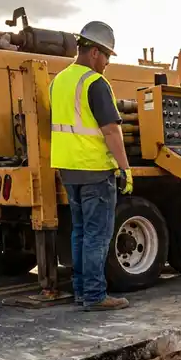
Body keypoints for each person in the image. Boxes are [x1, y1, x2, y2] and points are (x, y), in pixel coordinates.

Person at [50, 20, 133, 311]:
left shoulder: (58, 81)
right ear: (95, 52)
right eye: (108, 55)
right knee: (97, 235)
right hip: (95, 169)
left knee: (80, 232)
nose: (108, 62)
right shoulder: (94, 82)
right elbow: (111, 130)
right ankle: (96, 295)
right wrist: (125, 168)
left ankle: (82, 291)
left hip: (68, 170)